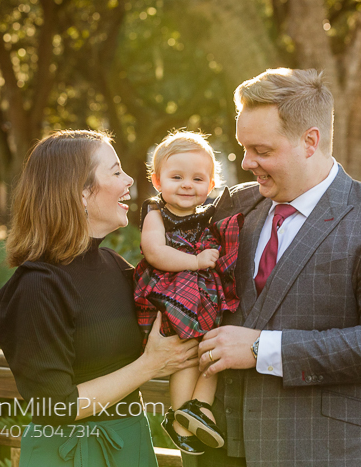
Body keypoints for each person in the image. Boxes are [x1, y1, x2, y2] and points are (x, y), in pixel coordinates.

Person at [197, 68, 361, 466]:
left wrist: (259, 349)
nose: (247, 161)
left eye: (262, 150)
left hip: (327, 453)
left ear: (310, 141)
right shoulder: (235, 205)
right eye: (243, 147)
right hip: (223, 453)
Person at [0, 130, 199, 467]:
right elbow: (56, 406)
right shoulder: (37, 287)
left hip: (130, 446)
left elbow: (178, 322)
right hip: (69, 455)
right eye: (116, 171)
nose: (130, 179)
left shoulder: (116, 267)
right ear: (81, 192)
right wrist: (150, 365)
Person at [133, 132, 243, 456]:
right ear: (157, 181)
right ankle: (181, 412)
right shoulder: (157, 213)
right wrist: (195, 261)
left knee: (210, 349)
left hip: (204, 297)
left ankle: (199, 409)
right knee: (184, 354)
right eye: (176, 177)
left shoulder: (208, 215)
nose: (186, 184)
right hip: (171, 293)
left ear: (210, 185)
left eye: (197, 178)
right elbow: (154, 252)